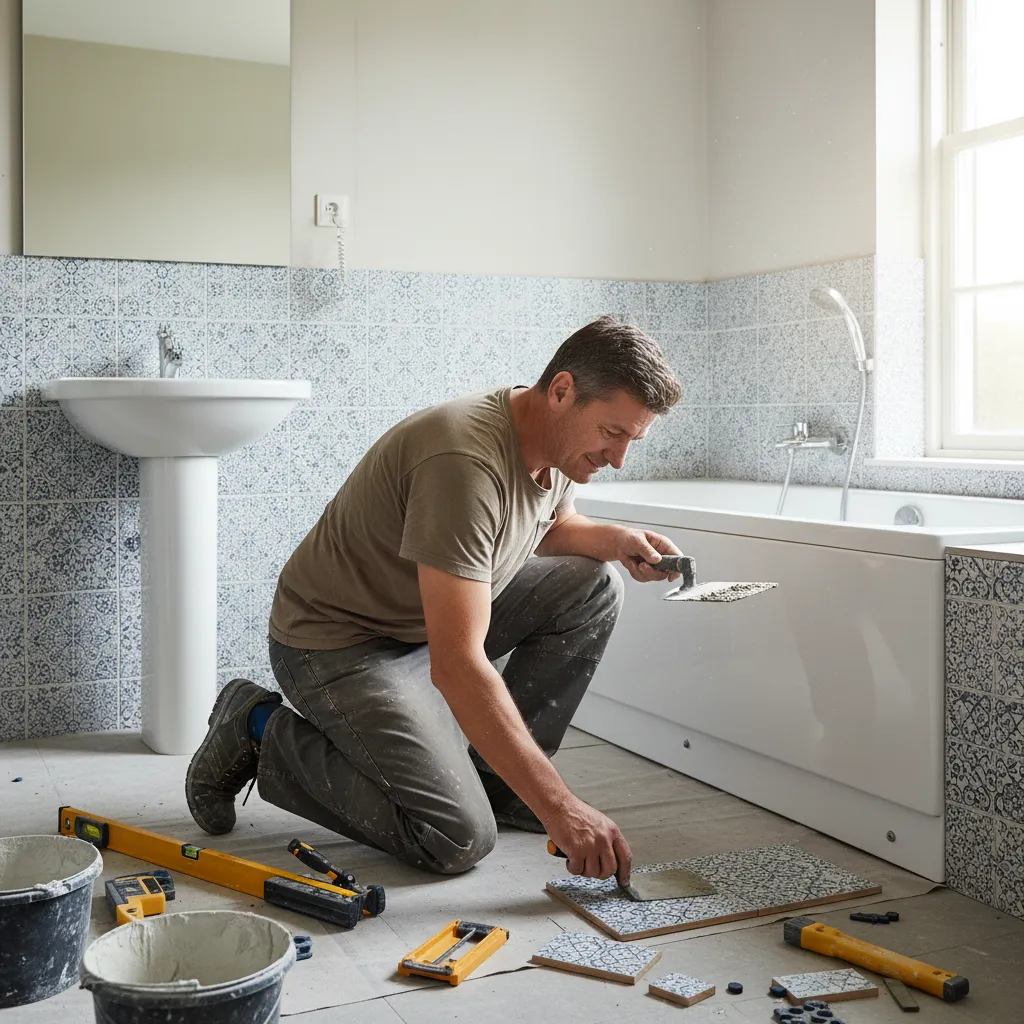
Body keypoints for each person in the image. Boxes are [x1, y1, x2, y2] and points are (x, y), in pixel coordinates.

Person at [185, 315, 683, 885]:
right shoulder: (464, 462)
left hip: (422, 623)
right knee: (455, 837)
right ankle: (255, 728)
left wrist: (616, 542)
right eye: (612, 433)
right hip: (341, 645)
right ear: (563, 390)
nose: (618, 458)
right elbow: (459, 666)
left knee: (593, 584)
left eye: (631, 440)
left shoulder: (554, 441)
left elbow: (545, 523)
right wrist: (561, 809)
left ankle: (500, 783)